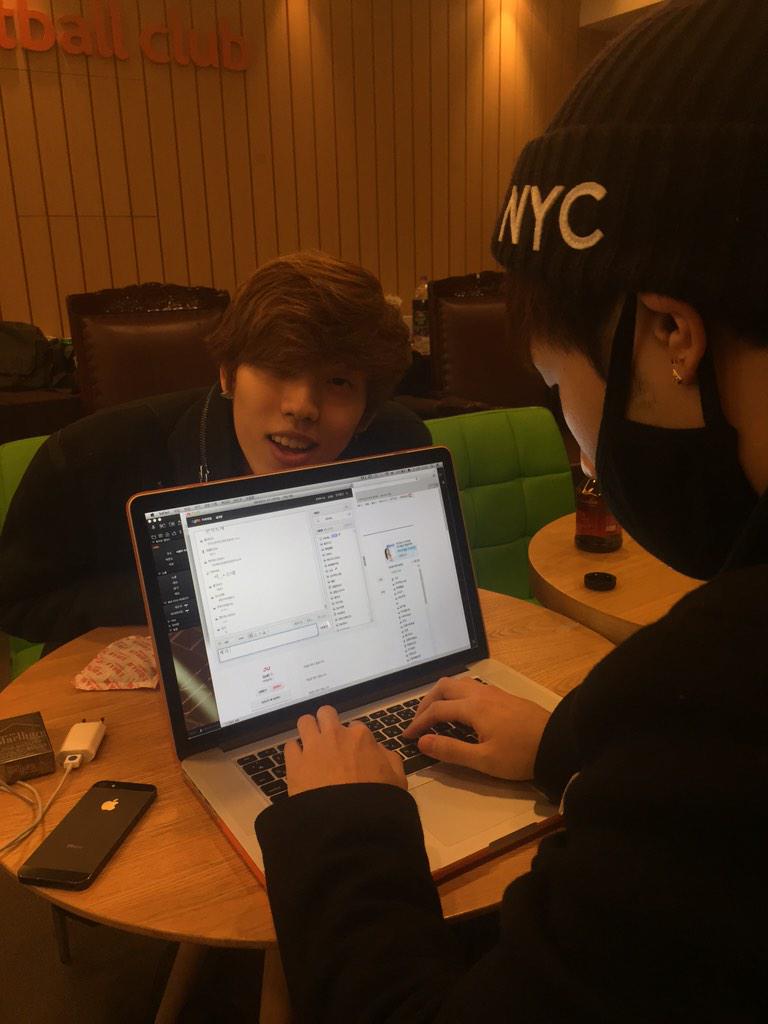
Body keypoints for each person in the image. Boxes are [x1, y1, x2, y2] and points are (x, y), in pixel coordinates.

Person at [254, 2, 768, 1021]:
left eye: (558, 385)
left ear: (670, 333)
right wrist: (571, 741)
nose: (577, 442)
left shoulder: (723, 693)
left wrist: (346, 824)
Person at [0, 251, 430, 651]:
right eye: (279, 366)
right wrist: (188, 592)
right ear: (228, 373)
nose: (301, 407)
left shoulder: (395, 445)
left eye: (338, 382)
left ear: (367, 411)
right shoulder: (91, 457)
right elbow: (16, 604)